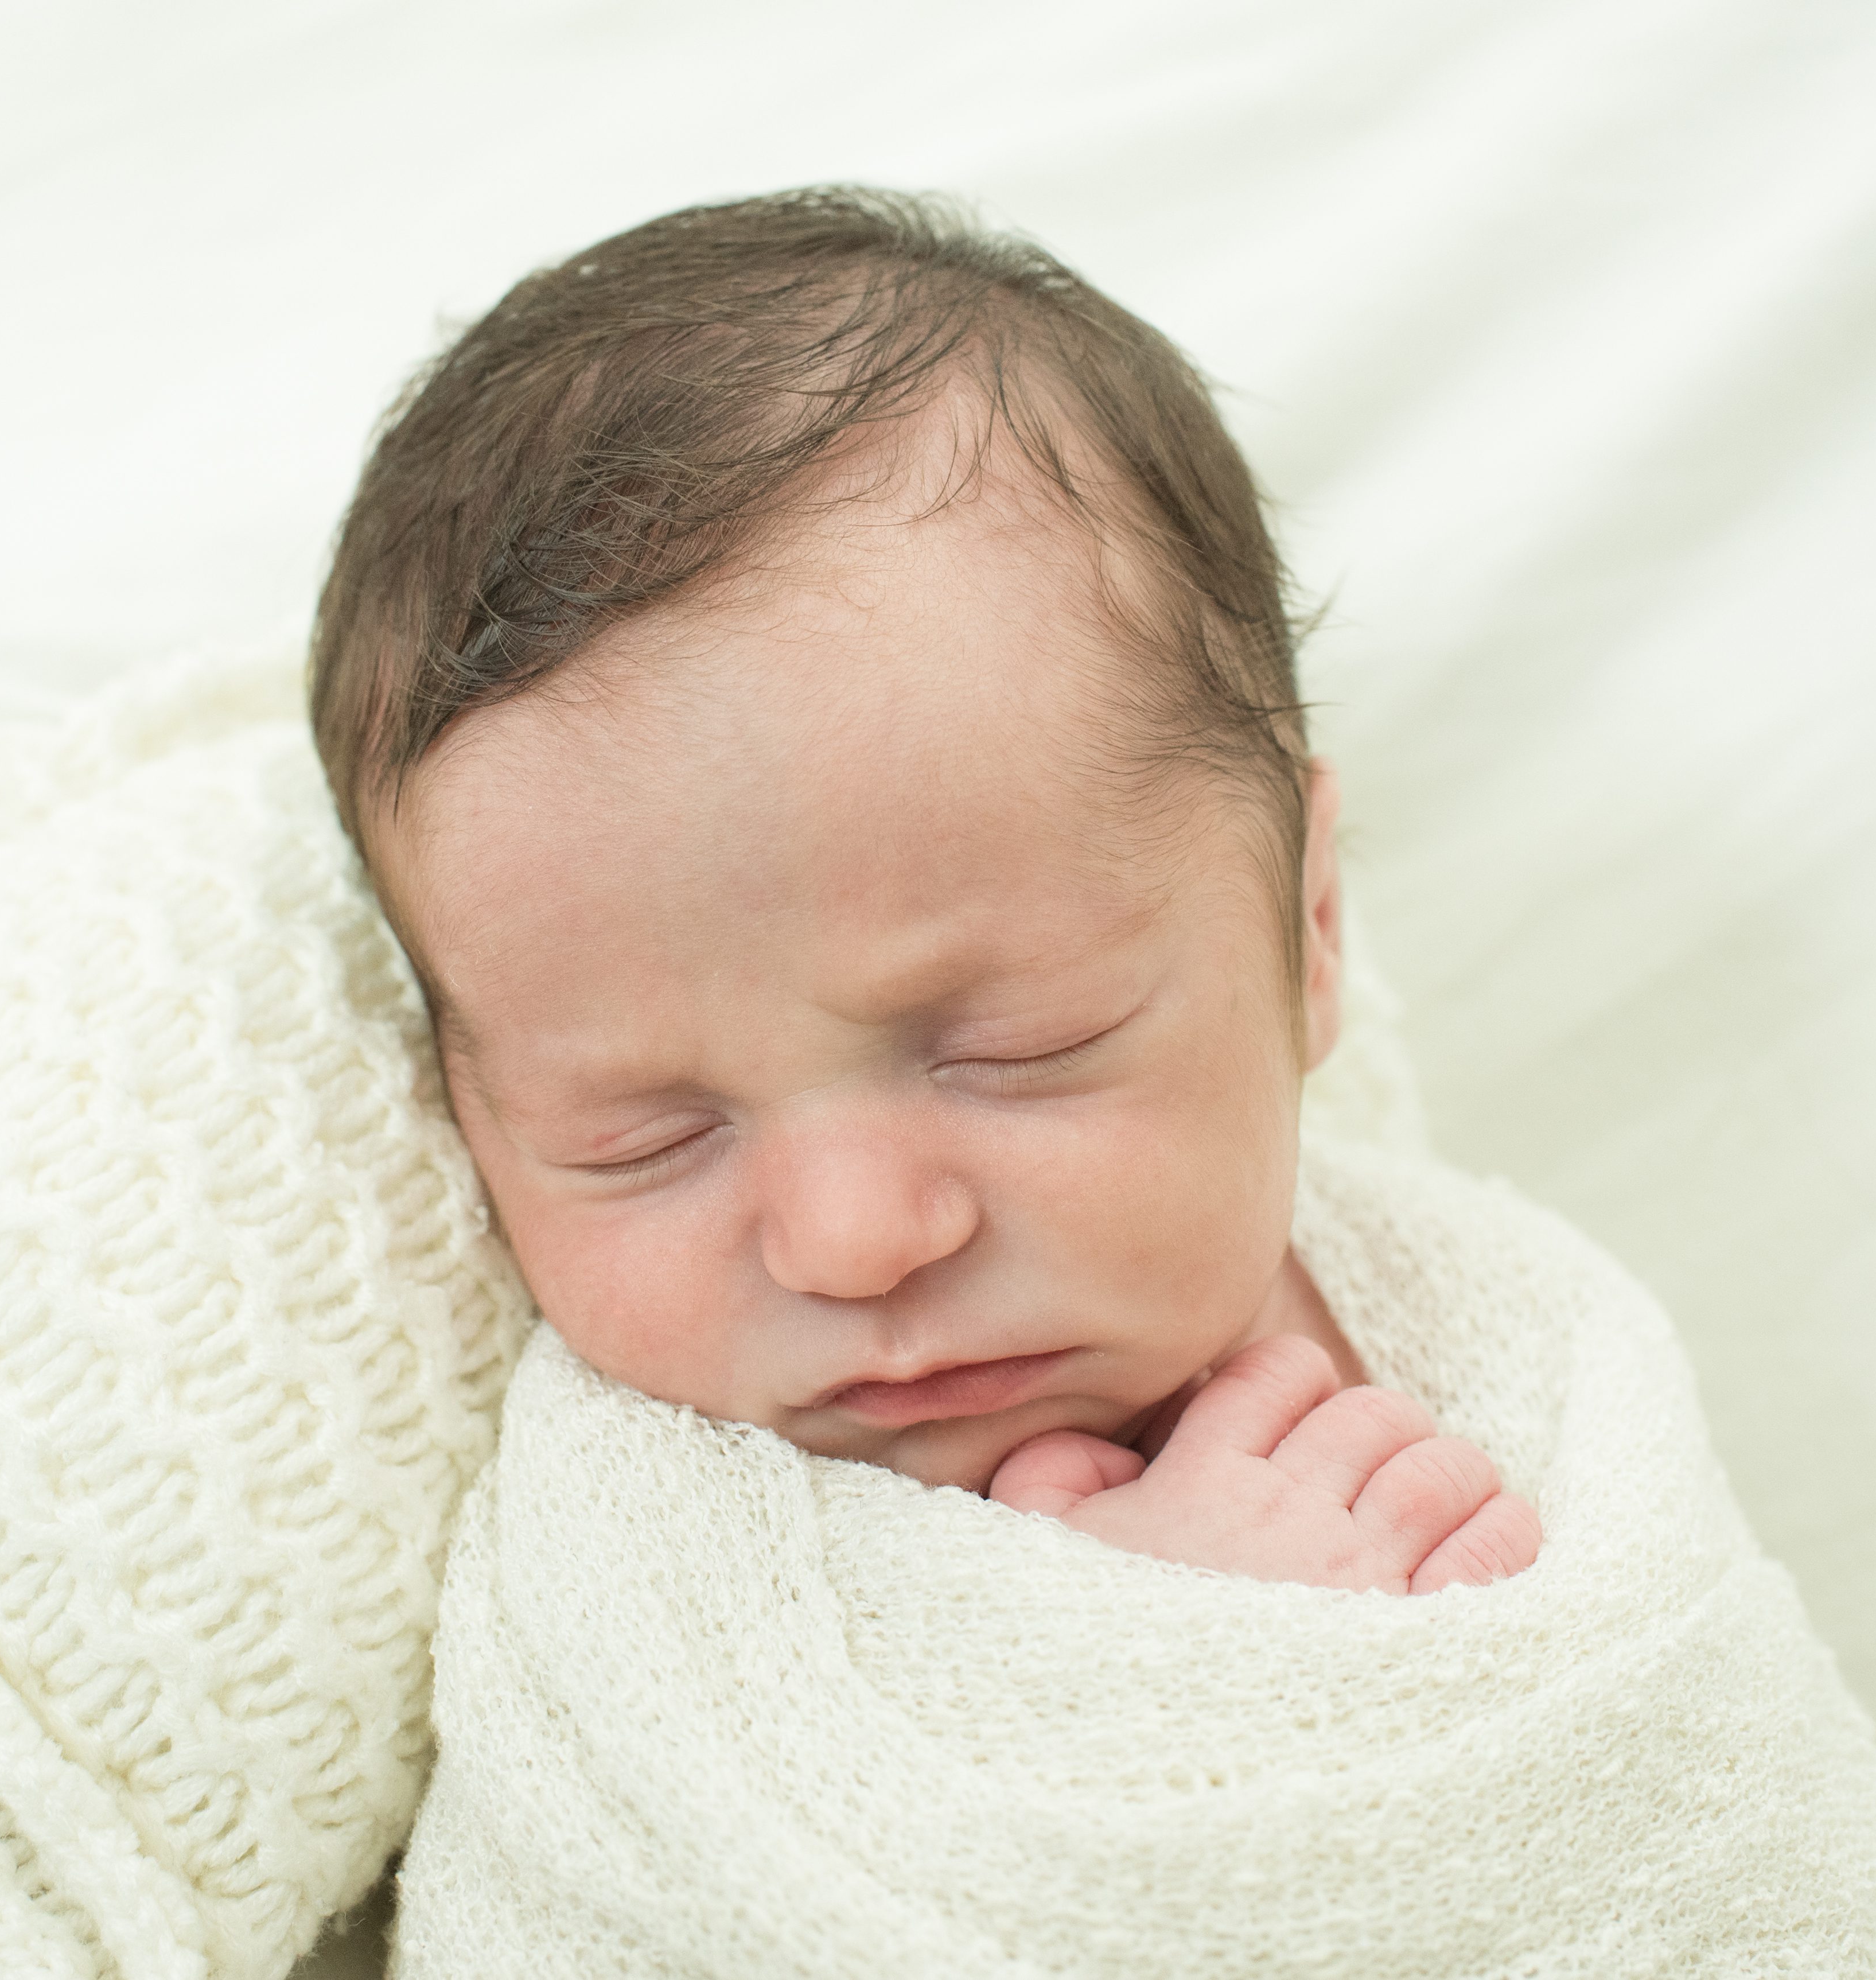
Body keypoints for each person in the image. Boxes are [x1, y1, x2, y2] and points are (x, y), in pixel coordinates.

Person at [307, 185, 1539, 1596]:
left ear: (1310, 935)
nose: (853, 1242)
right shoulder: (637, 1541)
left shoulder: (1503, 1327)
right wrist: (1148, 1660)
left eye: (1016, 1051)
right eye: (643, 1138)